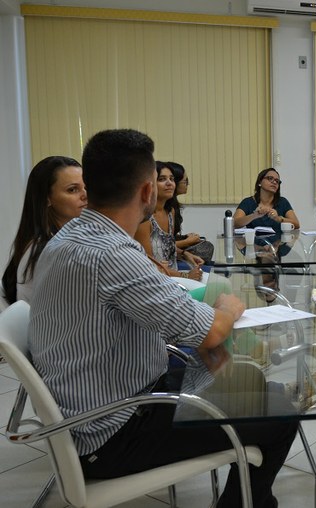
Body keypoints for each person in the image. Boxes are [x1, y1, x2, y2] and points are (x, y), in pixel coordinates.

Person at [28, 128, 298, 508]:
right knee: (283, 413)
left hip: (103, 402)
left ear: (90, 185)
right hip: (113, 432)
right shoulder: (113, 255)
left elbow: (164, 306)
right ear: (146, 192)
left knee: (251, 381)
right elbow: (212, 330)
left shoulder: (70, 236)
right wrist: (228, 307)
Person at [2, 156, 86, 306]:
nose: (85, 195)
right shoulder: (46, 250)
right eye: (72, 189)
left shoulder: (67, 239)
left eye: (86, 187)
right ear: (47, 199)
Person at [135, 162, 203, 281]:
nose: (169, 183)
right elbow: (149, 265)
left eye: (171, 179)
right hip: (156, 281)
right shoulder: (144, 218)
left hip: (173, 276)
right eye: (162, 179)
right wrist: (186, 276)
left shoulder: (170, 211)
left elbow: (166, 246)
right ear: (149, 185)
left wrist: (185, 254)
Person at [235, 168, 300, 233]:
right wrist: (254, 215)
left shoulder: (282, 202)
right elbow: (234, 223)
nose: (274, 182)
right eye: (270, 178)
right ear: (260, 182)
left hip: (278, 242)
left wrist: (278, 218)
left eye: (277, 181)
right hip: (254, 242)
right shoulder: (248, 202)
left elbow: (296, 224)